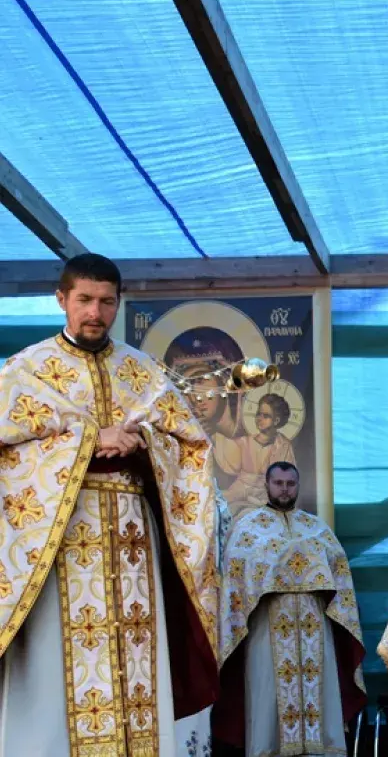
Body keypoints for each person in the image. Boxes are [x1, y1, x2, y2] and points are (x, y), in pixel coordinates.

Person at [0, 253, 223, 754]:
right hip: (57, 543)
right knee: (54, 664)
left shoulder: (142, 371)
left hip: (132, 540)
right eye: (84, 300)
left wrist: (145, 442)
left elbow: (191, 446)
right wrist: (86, 439)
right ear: (62, 299)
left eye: (106, 302)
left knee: (137, 658)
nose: (94, 312)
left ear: (118, 303)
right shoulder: (25, 371)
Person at [214, 461, 366, 756]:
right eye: (278, 483)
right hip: (266, 620)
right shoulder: (247, 528)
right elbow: (235, 578)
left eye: (290, 484)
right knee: (267, 690)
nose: (284, 489)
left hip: (314, 619)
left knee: (319, 688)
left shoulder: (317, 528)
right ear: (267, 485)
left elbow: (340, 575)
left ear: (298, 486)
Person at [214, 392, 297, 514]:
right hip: (240, 493)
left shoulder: (284, 445)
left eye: (266, 416)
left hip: (268, 496)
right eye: (258, 414)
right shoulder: (244, 442)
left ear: (276, 420)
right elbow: (230, 464)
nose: (259, 418)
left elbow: (287, 475)